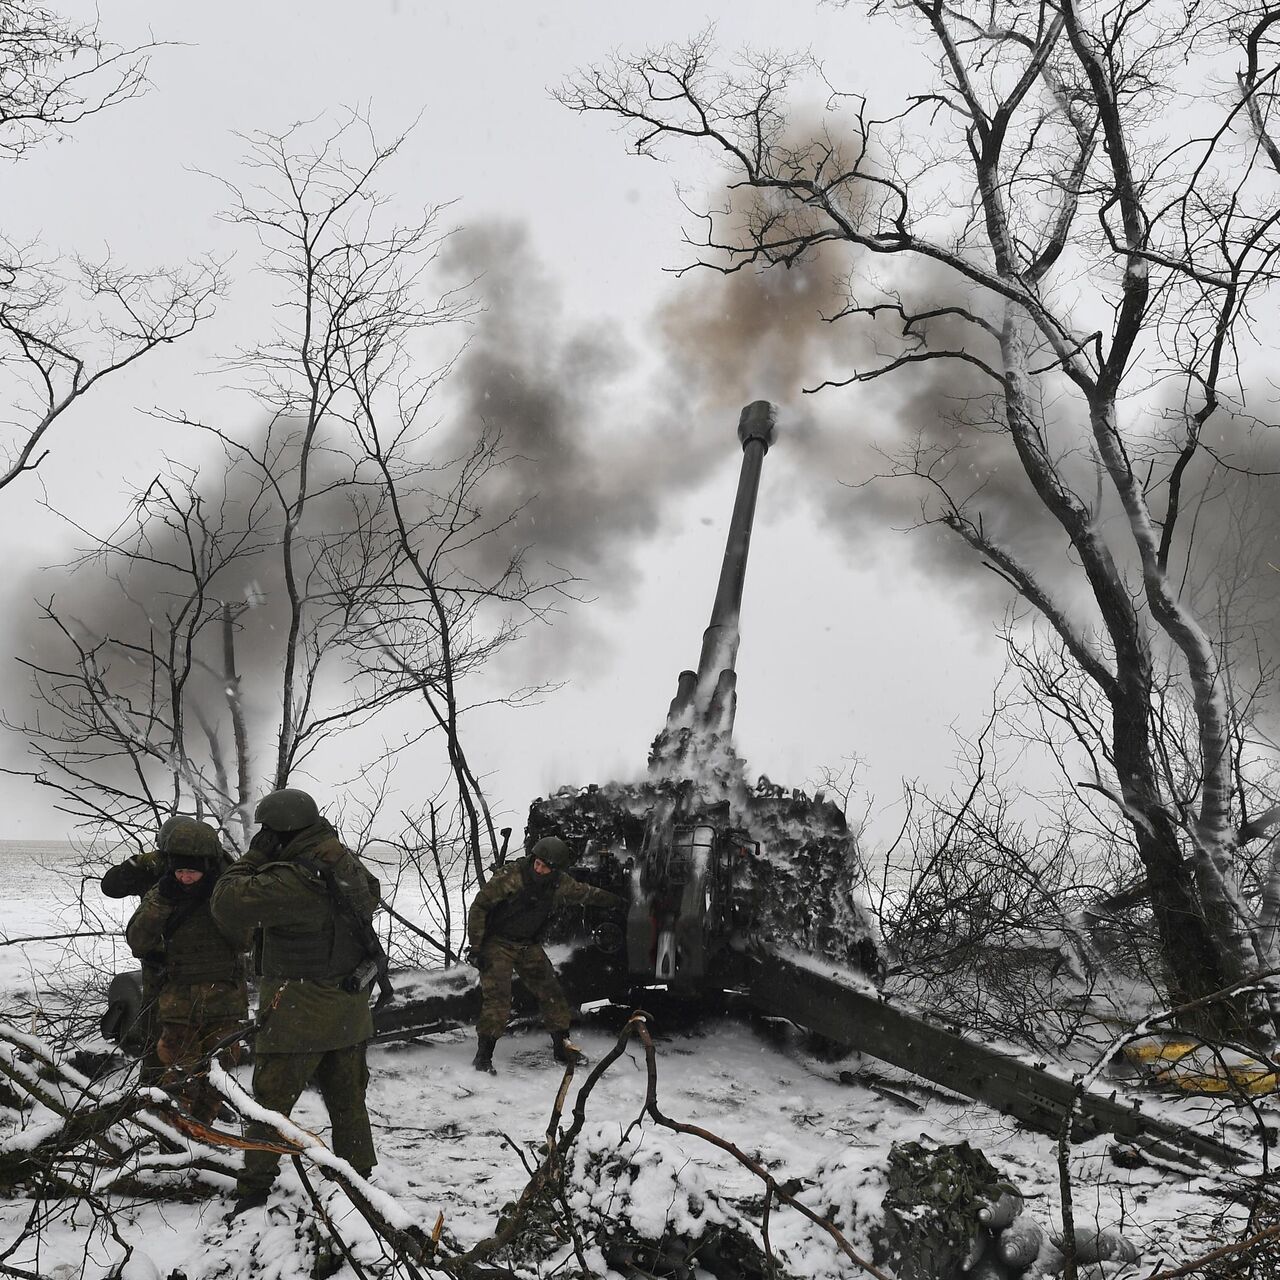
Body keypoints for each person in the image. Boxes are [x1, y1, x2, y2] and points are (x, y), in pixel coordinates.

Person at [210, 787, 382, 1216]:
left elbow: (227, 903)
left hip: (295, 1012)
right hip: (348, 1009)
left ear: (281, 832)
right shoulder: (339, 860)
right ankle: (359, 1185)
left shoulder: (291, 880)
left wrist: (251, 858)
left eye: (268, 831)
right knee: (348, 1101)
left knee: (270, 1107)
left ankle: (252, 1191)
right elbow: (372, 894)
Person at [467, 834, 624, 1074]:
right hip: (498, 942)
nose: (539, 869)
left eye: (545, 867)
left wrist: (618, 901)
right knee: (498, 999)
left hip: (527, 944)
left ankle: (562, 1047)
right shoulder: (511, 876)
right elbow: (480, 906)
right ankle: (483, 1057)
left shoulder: (559, 883)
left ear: (555, 870)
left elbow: (586, 893)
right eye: (537, 863)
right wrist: (476, 947)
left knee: (551, 992)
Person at [124, 817, 249, 1121]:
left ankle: (199, 1137)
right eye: (179, 871)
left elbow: (246, 941)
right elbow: (138, 941)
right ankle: (176, 1138)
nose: (185, 878)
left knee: (215, 1078)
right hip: (179, 1001)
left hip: (223, 1001)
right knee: (181, 1077)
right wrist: (163, 900)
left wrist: (221, 902)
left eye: (192, 872)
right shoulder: (165, 892)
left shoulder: (228, 890)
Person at [102, 816, 227, 1086]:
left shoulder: (217, 871)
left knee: (178, 1035)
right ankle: (165, 1089)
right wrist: (140, 863)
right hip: (162, 964)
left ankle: (179, 1091)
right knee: (160, 1031)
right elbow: (110, 886)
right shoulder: (158, 869)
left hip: (195, 966)